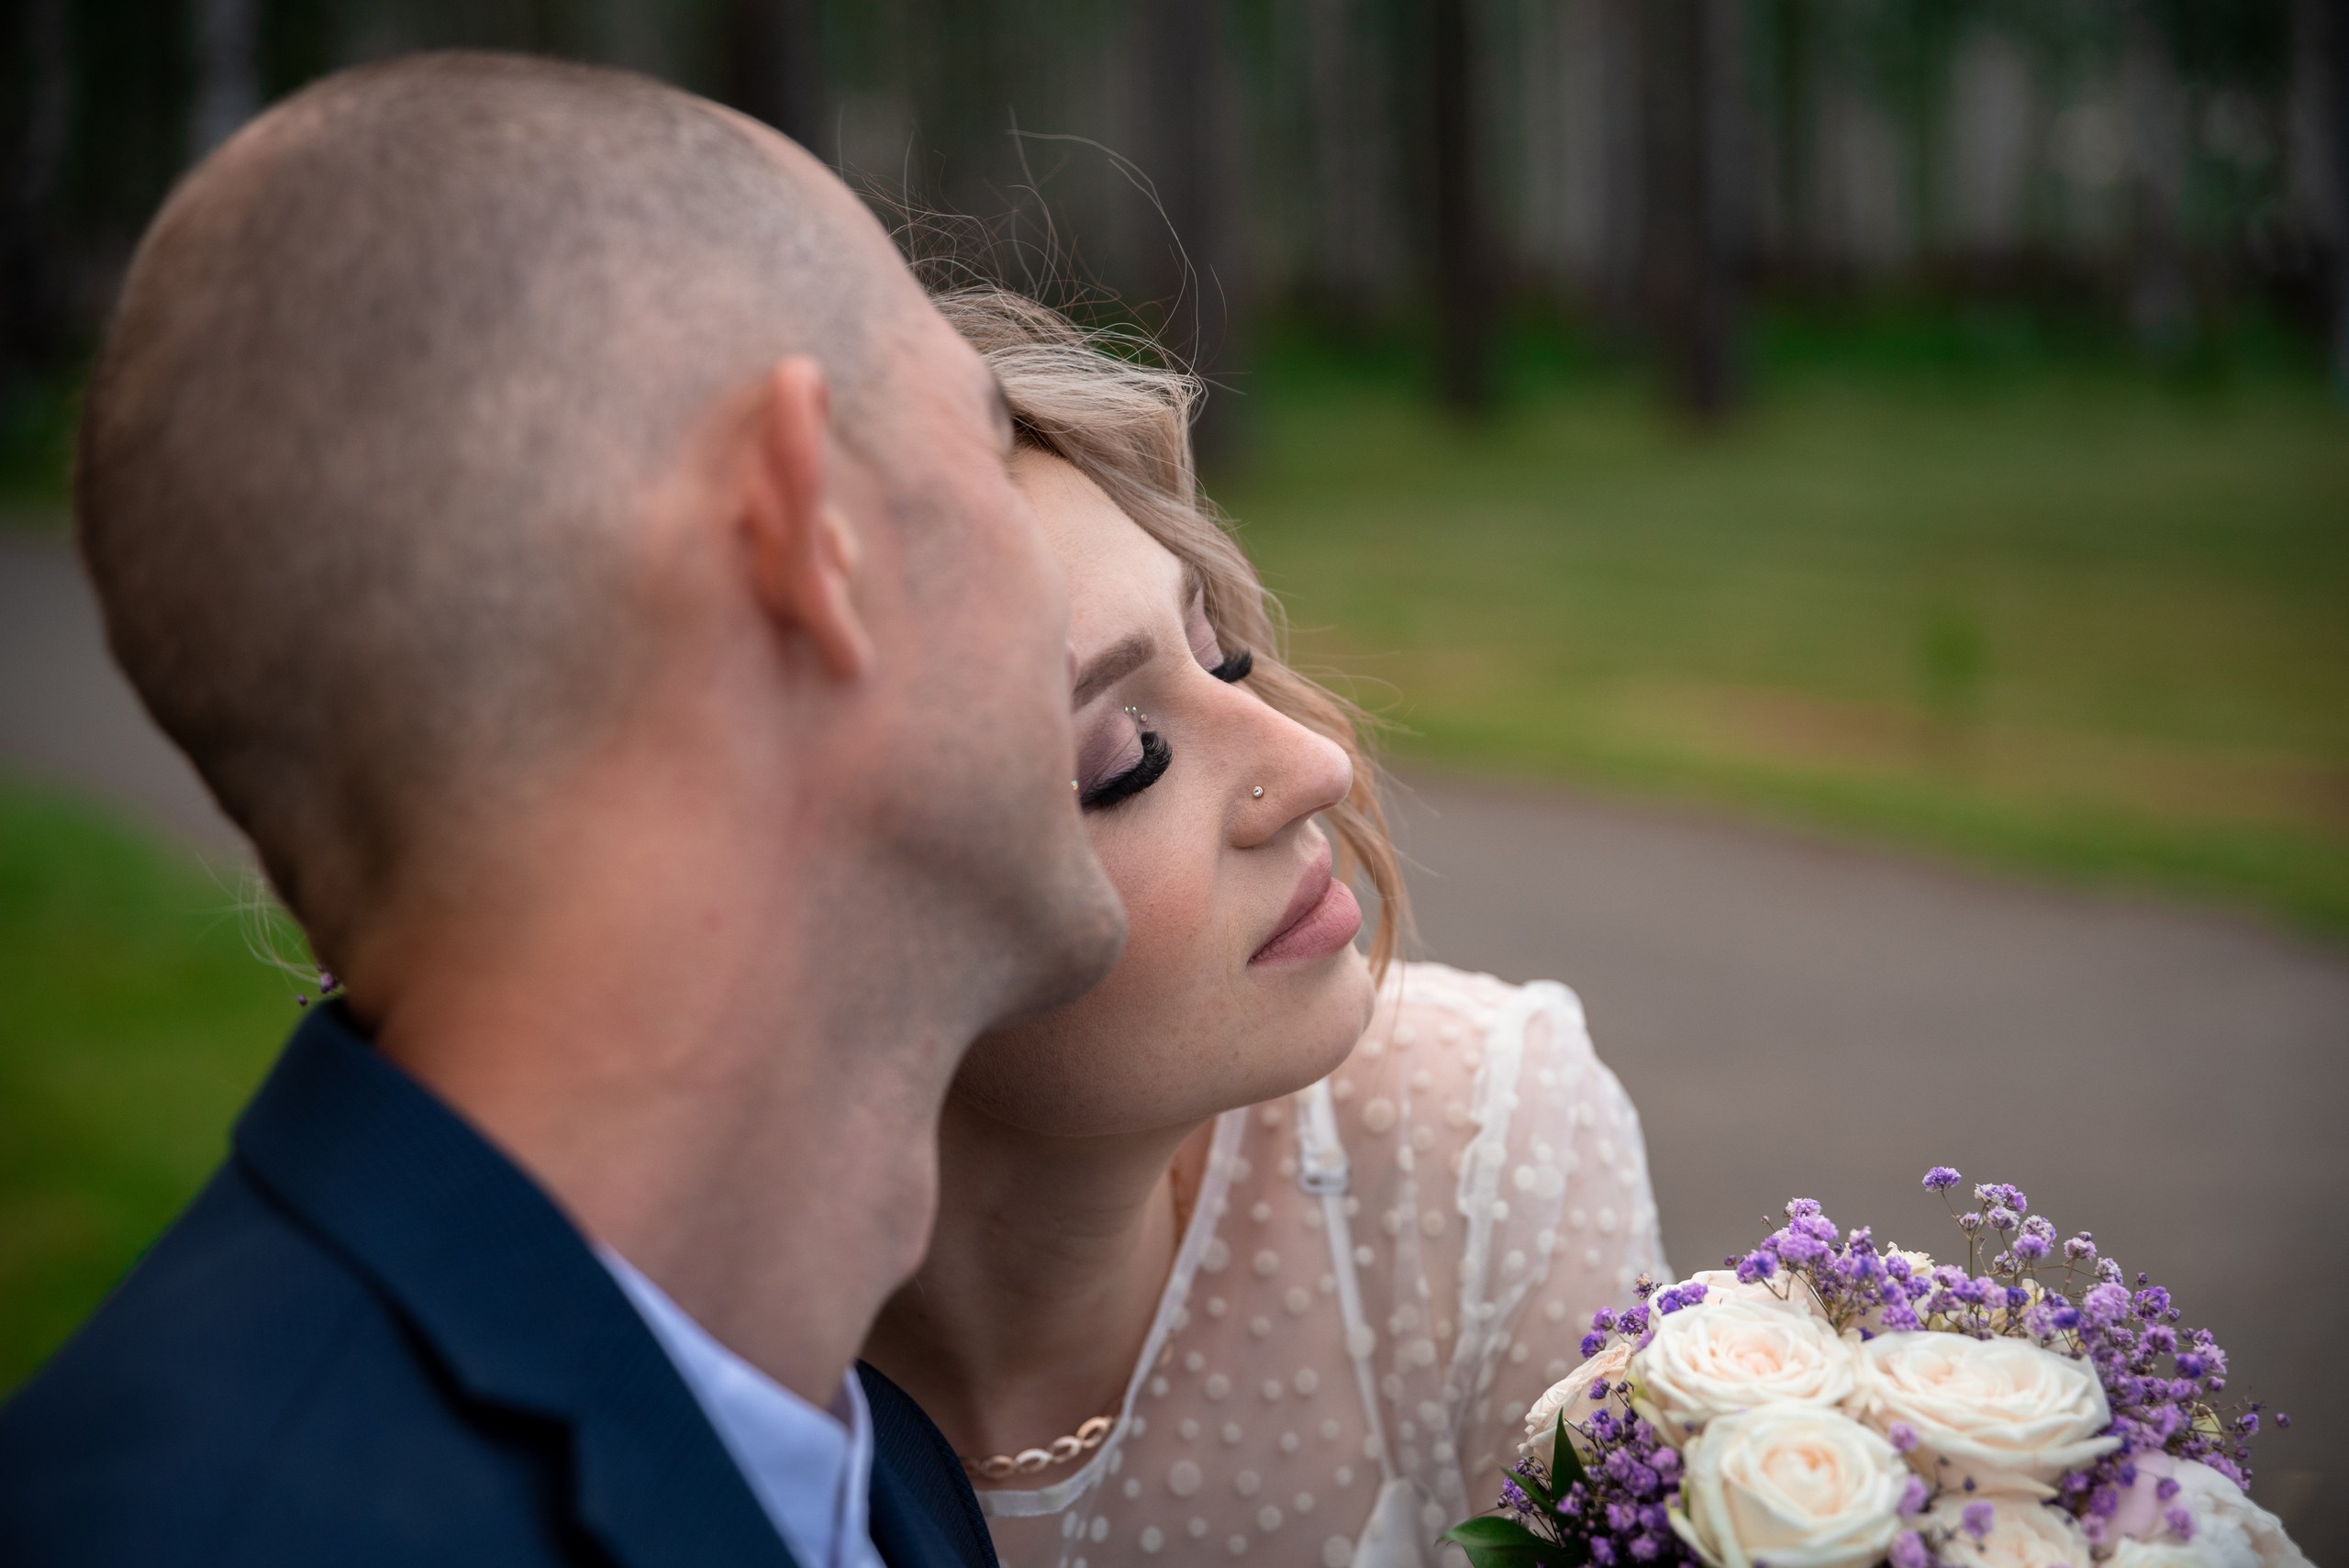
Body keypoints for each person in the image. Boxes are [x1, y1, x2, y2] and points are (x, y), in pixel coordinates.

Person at [0, 55, 1124, 1568]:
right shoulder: (209, 1529)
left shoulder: (873, 1452)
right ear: (812, 537)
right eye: (990, 443)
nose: (1059, 575)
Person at [862, 290, 1669, 1568]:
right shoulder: (653, 1374)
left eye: (1220, 653)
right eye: (1127, 756)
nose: (1312, 761)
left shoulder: (1475, 1147)